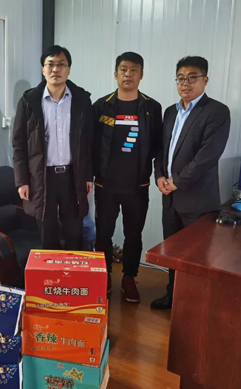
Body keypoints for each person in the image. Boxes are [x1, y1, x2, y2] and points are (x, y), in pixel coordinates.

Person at [151, 56, 230, 310]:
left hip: (198, 201)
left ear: (205, 80)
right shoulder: (170, 112)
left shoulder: (217, 112)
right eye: (181, 78)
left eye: (192, 78)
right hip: (170, 198)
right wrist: (159, 176)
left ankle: (193, 306)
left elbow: (207, 156)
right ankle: (173, 296)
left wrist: (177, 181)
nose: (185, 83)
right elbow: (162, 150)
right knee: (173, 253)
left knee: (197, 257)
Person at [93, 52, 162, 303]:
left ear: (141, 75)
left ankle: (129, 277)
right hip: (106, 185)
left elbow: (158, 147)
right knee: (103, 234)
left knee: (134, 235)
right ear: (115, 74)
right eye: (123, 69)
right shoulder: (101, 106)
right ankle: (104, 275)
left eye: (134, 70)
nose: (128, 74)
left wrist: (158, 175)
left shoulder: (152, 108)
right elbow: (91, 144)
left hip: (137, 185)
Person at [12, 45, 93, 250]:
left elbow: (88, 142)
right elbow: (19, 144)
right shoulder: (29, 101)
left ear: (69, 69)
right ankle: (51, 271)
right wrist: (22, 181)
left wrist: (87, 176)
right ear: (43, 69)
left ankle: (73, 270)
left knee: (74, 233)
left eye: (61, 64)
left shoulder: (82, 100)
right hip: (41, 177)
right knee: (47, 235)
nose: (55, 69)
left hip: (72, 176)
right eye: (50, 64)